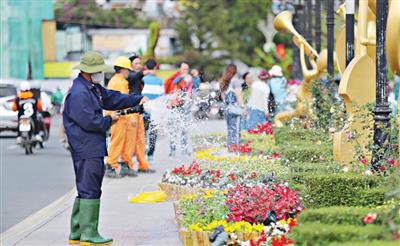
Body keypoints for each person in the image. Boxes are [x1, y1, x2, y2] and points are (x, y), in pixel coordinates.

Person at [63, 51, 148, 245]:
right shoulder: (80, 93)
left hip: (90, 145)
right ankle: (89, 235)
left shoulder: (91, 87)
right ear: (88, 71)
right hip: (86, 146)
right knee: (90, 188)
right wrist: (110, 119)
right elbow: (91, 122)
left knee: (85, 188)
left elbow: (112, 98)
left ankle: (76, 233)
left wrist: (136, 99)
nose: (101, 73)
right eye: (99, 70)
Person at [106, 56, 144, 178]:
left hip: (120, 116)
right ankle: (111, 166)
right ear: (123, 69)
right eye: (128, 69)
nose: (129, 72)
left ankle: (125, 165)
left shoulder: (118, 81)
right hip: (118, 117)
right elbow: (122, 101)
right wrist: (131, 116)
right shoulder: (118, 82)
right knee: (117, 142)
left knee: (125, 142)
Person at [167, 62, 192, 156]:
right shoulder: (177, 77)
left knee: (184, 128)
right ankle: (172, 150)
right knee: (173, 128)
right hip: (174, 105)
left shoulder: (189, 78)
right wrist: (182, 76)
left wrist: (187, 101)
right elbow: (173, 83)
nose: (185, 71)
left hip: (184, 106)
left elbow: (189, 90)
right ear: (180, 69)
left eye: (187, 69)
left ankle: (184, 149)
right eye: (184, 69)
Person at [141, 59, 164, 163]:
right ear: (155, 67)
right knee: (153, 134)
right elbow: (162, 98)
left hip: (144, 111)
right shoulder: (159, 81)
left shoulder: (142, 79)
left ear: (145, 67)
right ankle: (150, 156)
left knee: (143, 133)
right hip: (155, 112)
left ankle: (142, 154)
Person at [220, 64, 245, 150]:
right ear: (235, 71)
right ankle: (236, 148)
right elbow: (238, 95)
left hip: (227, 109)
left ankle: (230, 147)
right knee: (236, 130)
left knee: (230, 129)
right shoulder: (235, 81)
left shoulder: (224, 81)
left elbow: (223, 97)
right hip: (235, 109)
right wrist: (243, 107)